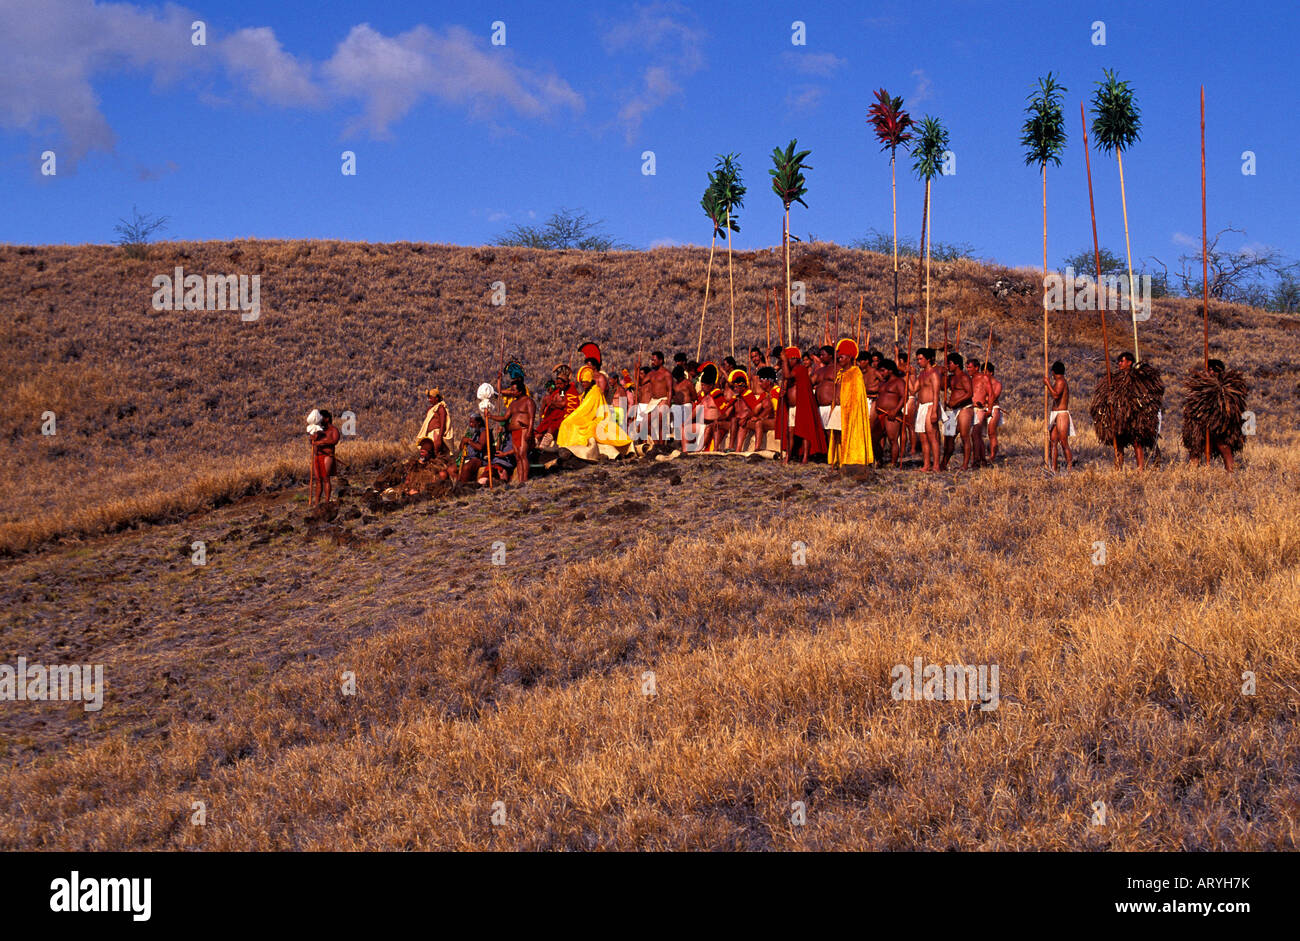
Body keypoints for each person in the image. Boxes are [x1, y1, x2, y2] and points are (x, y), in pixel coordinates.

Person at [1180, 358, 1248, 473]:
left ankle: (1230, 472)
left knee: (1224, 446)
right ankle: (1192, 473)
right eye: (1209, 369)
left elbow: (1232, 408)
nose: (1211, 372)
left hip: (1221, 426)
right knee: (1195, 448)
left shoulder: (1228, 387)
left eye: (1213, 370)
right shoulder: (1200, 386)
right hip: (1200, 424)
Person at [778, 346, 827, 463]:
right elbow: (785, 379)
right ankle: (788, 456)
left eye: (790, 359)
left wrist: (784, 360)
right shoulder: (790, 371)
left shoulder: (800, 369)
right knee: (790, 432)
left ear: (795, 359)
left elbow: (788, 375)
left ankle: (805, 457)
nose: (788, 361)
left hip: (802, 405)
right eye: (787, 359)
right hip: (792, 407)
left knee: (805, 432)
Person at [485, 378, 535, 485]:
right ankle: (521, 480)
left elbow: (532, 418)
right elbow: (505, 418)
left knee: (522, 454)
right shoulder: (513, 404)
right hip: (514, 432)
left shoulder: (528, 401)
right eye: (511, 390)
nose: (511, 392)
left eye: (513, 390)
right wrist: (491, 416)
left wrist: (530, 431)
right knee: (517, 456)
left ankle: (525, 479)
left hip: (524, 430)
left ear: (520, 391)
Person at [832, 338, 873, 467]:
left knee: (848, 433)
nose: (839, 359)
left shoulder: (856, 373)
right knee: (836, 434)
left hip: (850, 411)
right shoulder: (840, 373)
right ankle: (838, 458)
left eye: (842, 357)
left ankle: (850, 458)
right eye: (838, 357)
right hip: (839, 409)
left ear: (849, 358)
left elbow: (856, 395)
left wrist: (848, 406)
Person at [940, 352, 974, 471]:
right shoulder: (950, 378)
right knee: (949, 437)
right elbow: (941, 386)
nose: (948, 366)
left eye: (949, 364)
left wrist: (956, 401)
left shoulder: (964, 377)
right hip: (952, 411)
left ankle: (965, 465)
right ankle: (943, 463)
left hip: (965, 408)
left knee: (965, 436)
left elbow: (970, 393)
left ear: (957, 364)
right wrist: (942, 374)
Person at [874, 359, 906, 467]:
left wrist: (895, 410)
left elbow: (904, 397)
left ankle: (893, 463)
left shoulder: (899, 381)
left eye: (883, 371)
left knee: (892, 440)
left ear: (890, 370)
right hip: (879, 414)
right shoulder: (883, 382)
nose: (881, 373)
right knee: (874, 439)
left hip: (892, 415)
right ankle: (879, 460)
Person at [1044, 360, 1075, 471]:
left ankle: (1070, 467)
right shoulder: (1058, 381)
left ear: (1053, 372)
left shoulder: (1061, 381)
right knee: (1053, 442)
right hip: (1055, 413)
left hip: (1061, 414)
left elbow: (1056, 395)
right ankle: (1053, 468)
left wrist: (1047, 384)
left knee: (1063, 441)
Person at [914, 349, 942, 472]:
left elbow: (936, 394)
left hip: (931, 406)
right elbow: (912, 390)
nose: (918, 361)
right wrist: (910, 375)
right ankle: (926, 465)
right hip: (922, 407)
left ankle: (936, 465)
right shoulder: (921, 375)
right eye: (917, 359)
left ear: (928, 359)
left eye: (920, 359)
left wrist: (935, 411)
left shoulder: (934, 374)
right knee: (923, 437)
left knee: (932, 436)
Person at [309, 409, 341, 506]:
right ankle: (316, 502)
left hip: (327, 456)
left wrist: (322, 442)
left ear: (327, 419)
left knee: (326, 479)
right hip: (317, 456)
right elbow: (312, 442)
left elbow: (334, 441)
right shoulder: (318, 430)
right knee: (318, 480)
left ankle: (327, 502)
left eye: (321, 418)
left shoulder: (333, 430)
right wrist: (312, 439)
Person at [415, 388, 453, 455]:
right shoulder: (430, 409)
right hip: (429, 435)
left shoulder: (441, 408)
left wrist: (439, 438)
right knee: (427, 453)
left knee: (436, 453)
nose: (429, 400)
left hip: (436, 434)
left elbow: (443, 424)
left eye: (431, 398)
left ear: (436, 398)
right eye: (428, 398)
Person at [986, 362, 1004, 461]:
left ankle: (993, 455)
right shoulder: (982, 382)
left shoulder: (997, 384)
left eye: (986, 372)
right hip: (982, 408)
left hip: (993, 408)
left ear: (991, 373)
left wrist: (986, 398)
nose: (984, 375)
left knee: (991, 432)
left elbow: (993, 397)